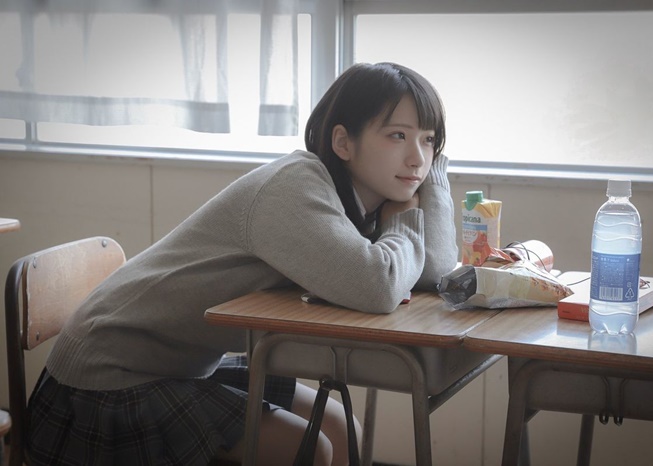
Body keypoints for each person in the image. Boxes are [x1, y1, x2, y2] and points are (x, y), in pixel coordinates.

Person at [27, 62, 457, 466]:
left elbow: (434, 271)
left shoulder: (360, 201)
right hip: (103, 382)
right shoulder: (296, 186)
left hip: (183, 364)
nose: (418, 158)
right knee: (311, 448)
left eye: (429, 140)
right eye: (398, 136)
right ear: (343, 142)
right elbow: (378, 286)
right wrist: (405, 220)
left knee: (343, 430)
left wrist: (432, 185)